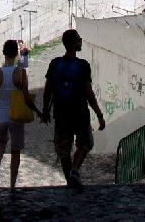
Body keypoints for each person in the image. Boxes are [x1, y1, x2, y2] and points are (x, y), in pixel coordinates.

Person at [41, 28, 105, 188]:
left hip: (61, 112)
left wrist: (45, 110)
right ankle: (75, 171)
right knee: (85, 143)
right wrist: (99, 114)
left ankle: (70, 181)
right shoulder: (83, 65)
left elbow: (47, 89)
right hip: (80, 112)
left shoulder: (55, 64)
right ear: (74, 43)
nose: (81, 41)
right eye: (78, 39)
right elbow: (88, 92)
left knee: (63, 149)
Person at [0, 38, 38, 188]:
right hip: (16, 116)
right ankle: (12, 184)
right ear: (16, 54)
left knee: (1, 140)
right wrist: (38, 111)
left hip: (0, 116)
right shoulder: (20, 73)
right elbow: (26, 98)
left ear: (3, 53)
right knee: (15, 150)